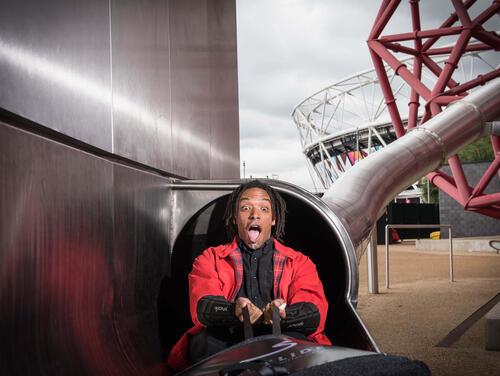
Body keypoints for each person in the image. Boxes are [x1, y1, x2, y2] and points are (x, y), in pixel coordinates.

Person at [167, 180, 331, 371]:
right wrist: (233, 310)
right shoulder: (210, 258)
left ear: (273, 219)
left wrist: (283, 314)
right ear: (235, 218)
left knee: (304, 347)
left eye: (264, 209)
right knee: (203, 342)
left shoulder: (299, 262)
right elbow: (203, 307)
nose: (255, 215)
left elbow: (314, 314)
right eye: (245, 208)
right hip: (228, 341)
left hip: (283, 339)